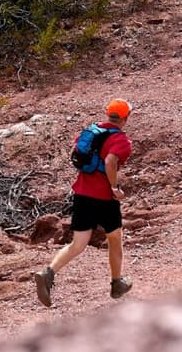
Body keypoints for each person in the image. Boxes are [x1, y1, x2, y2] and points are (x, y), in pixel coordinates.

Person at [34, 98, 134, 307]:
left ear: (108, 114)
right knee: (115, 237)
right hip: (105, 198)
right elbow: (110, 161)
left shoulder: (91, 131)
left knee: (78, 243)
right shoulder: (121, 141)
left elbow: (75, 155)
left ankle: (48, 272)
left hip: (82, 193)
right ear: (125, 118)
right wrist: (114, 188)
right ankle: (117, 283)